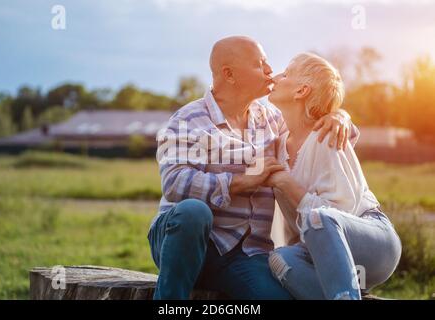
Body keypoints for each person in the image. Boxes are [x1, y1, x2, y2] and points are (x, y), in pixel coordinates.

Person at [148, 36, 354, 299]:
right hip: (182, 242)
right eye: (260, 64)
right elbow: (175, 184)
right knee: (193, 212)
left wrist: (338, 115)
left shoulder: (271, 119)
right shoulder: (188, 120)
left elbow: (313, 131)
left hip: (246, 254)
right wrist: (242, 182)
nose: (270, 70)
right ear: (229, 74)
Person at [266, 52, 402, 300]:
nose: (275, 77)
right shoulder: (277, 143)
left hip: (372, 241)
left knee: (318, 219)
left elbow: (340, 217)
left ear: (301, 91)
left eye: (286, 74)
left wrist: (286, 183)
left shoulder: (326, 137)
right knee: (280, 260)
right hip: (319, 251)